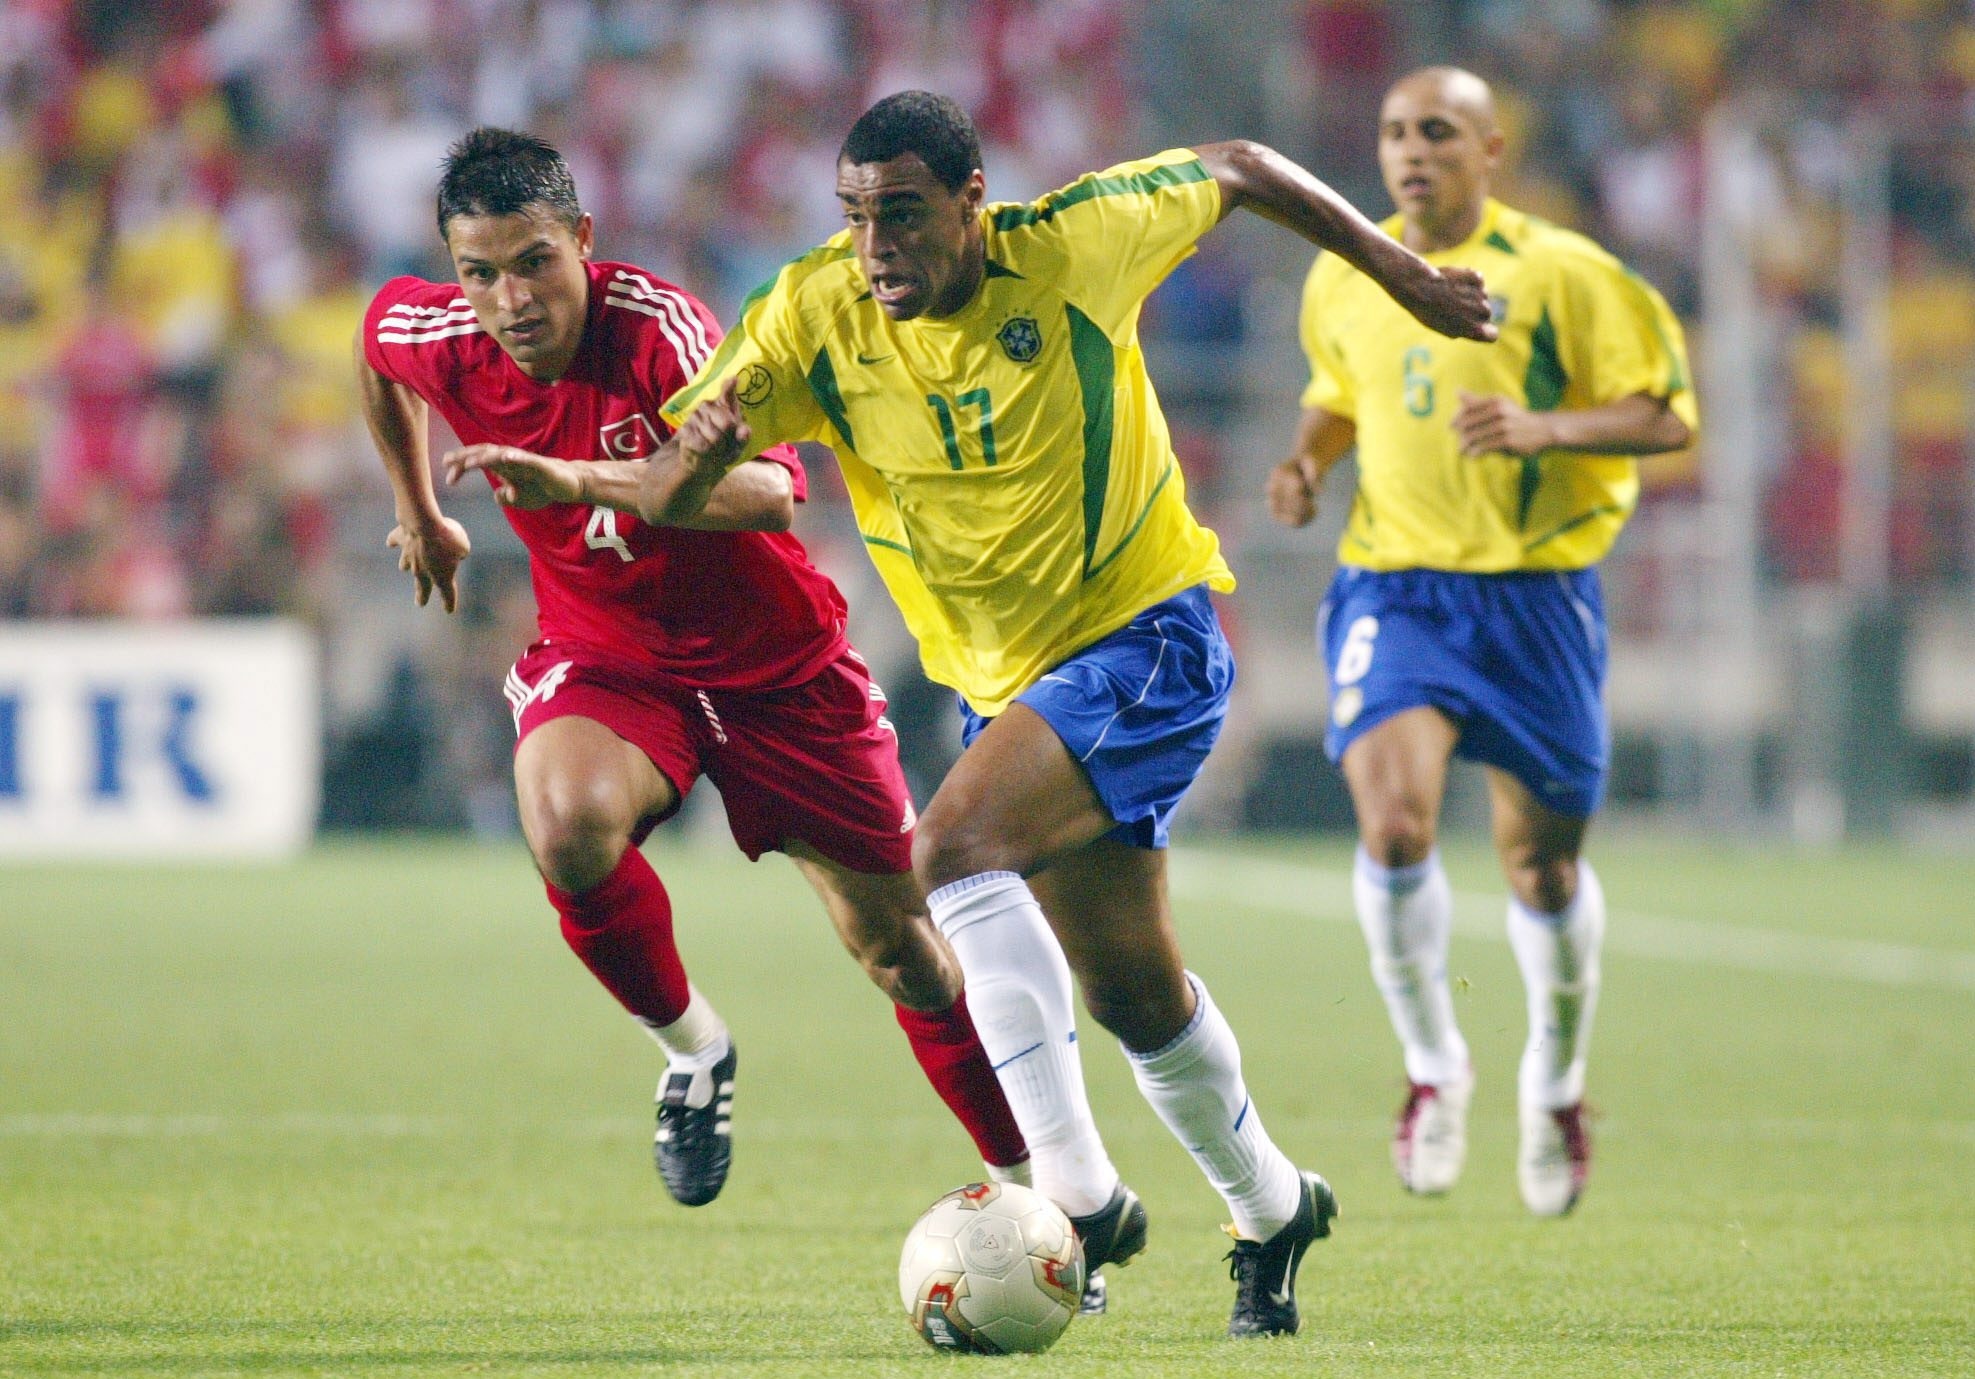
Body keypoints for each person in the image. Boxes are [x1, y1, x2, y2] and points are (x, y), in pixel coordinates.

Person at [458, 92, 1496, 1336]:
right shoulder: (810, 313)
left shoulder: (1071, 244)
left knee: (945, 851)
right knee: (1134, 995)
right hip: (1004, 688)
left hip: (1146, 634)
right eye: (851, 216)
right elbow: (687, 478)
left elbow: (1239, 164)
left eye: (898, 213)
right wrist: (603, 472)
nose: (873, 244)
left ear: (970, 202)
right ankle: (1274, 1207)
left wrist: (1400, 276)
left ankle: (1073, 1198)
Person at [354, 126, 1030, 1213]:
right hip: (611, 658)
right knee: (566, 824)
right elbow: (374, 349)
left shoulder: (660, 329)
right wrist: (417, 510)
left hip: (778, 671)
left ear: (582, 238)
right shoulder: (435, 330)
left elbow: (768, 490)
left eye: (533, 261)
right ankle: (693, 1052)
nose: (511, 299)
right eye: (479, 272)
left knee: (901, 951)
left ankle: (1030, 1182)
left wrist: (575, 481)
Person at [1266, 68, 1698, 1216]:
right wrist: (1308, 457)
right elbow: (1340, 391)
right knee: (1394, 822)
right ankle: (1432, 1066)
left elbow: (1664, 412)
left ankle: (1552, 1082)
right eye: (1394, 131)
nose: (1411, 152)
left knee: (1539, 865)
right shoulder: (1344, 269)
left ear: (1490, 150)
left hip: (1536, 599)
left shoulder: (1563, 273)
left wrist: (1543, 426)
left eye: (1437, 132)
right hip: (1395, 587)